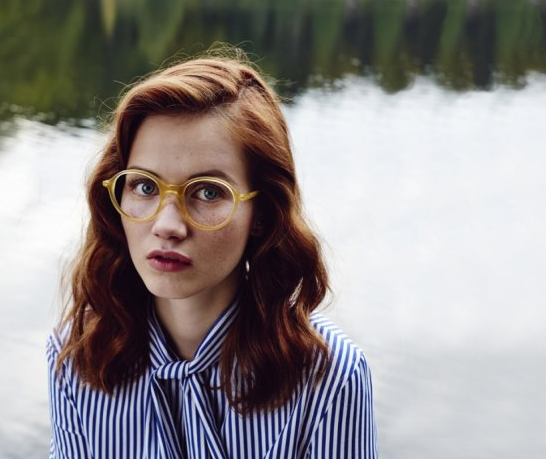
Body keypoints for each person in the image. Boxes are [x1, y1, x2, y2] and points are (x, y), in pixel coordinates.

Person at [47, 50, 377, 458]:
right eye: (145, 187)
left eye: (207, 192)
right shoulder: (79, 354)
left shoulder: (328, 377)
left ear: (261, 213)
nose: (168, 225)